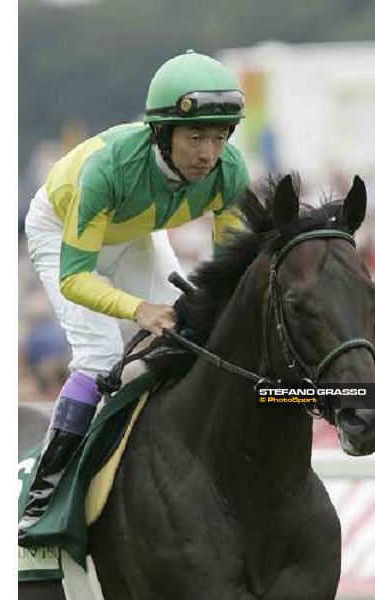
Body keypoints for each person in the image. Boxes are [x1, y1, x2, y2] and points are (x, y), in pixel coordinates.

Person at [18, 50, 250, 535]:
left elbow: (231, 274)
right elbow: (74, 279)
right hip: (62, 231)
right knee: (102, 354)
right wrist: (138, 309)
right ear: (162, 133)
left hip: (134, 231)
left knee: (176, 340)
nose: (210, 154)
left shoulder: (229, 171)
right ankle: (45, 494)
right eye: (196, 137)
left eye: (220, 136)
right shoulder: (109, 168)